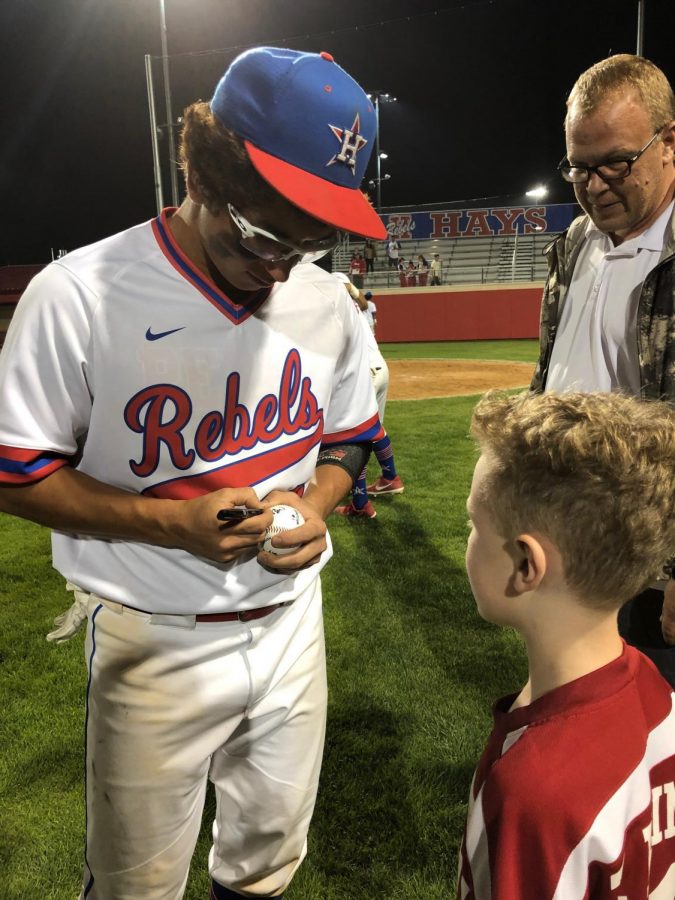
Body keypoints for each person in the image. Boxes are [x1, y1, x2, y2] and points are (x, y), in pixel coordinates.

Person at [0, 46, 388, 900]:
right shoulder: (77, 295)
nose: (283, 264)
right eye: (263, 232)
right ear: (200, 171)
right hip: (153, 634)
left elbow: (351, 436)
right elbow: (17, 471)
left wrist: (317, 500)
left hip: (293, 625)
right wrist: (165, 522)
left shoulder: (323, 301)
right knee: (136, 883)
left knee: (267, 862)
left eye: (312, 238)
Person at [458, 390, 675, 898]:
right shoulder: (651, 686)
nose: (468, 537)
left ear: (525, 566)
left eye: (473, 524)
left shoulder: (533, 801)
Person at [531, 53, 675, 686]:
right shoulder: (573, 245)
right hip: (562, 537)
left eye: (615, 162)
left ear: (668, 143)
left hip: (648, 552)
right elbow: (553, 372)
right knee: (573, 714)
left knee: (655, 733)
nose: (594, 186)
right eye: (578, 168)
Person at [331, 277, 405, 519]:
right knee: (373, 430)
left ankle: (361, 503)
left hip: (363, 374)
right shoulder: (352, 304)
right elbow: (361, 301)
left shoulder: (331, 307)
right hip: (379, 367)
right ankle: (390, 477)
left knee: (352, 436)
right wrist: (351, 289)